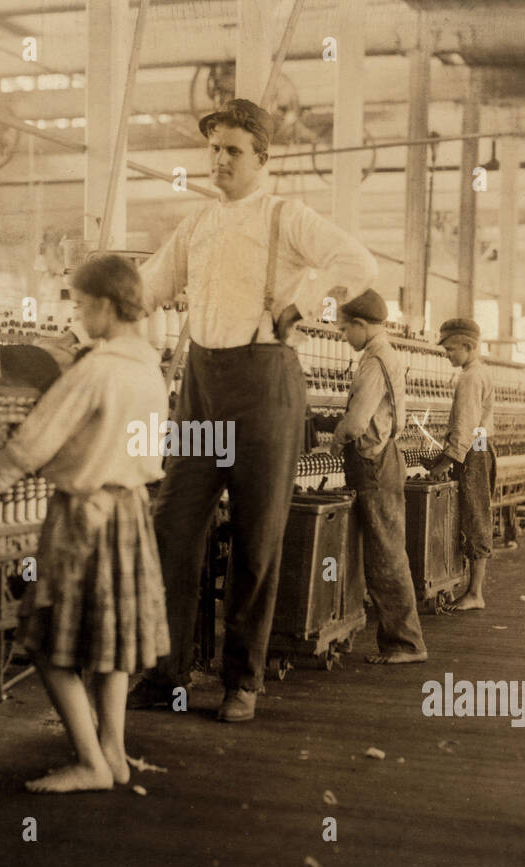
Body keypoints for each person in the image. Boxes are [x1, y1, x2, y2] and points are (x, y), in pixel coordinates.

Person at [127, 98, 377, 722]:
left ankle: (243, 681)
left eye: (233, 150)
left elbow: (358, 263)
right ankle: (165, 673)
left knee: (257, 539)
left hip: (264, 387)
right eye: (214, 149)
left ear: (262, 158)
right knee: (173, 529)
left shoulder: (285, 216)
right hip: (203, 390)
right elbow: (149, 289)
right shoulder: (195, 226)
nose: (220, 161)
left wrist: (303, 304)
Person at [0, 254, 169, 793]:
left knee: (48, 642)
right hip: (129, 511)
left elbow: (36, 439)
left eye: (79, 305)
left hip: (83, 516)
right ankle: (114, 754)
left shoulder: (97, 370)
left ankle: (89, 763)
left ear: (104, 304)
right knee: (110, 645)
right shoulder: (148, 368)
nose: (77, 316)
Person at [330, 289, 428, 664]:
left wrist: (334, 443)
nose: (343, 337)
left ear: (360, 325)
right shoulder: (384, 355)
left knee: (386, 554)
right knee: (379, 550)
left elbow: (356, 424)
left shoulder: (374, 361)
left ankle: (406, 643)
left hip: (372, 462)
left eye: (344, 330)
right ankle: (381, 635)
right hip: (382, 460)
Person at [428, 318, 495, 611]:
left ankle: (475, 593)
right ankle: (468, 588)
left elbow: (466, 425)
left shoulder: (470, 378)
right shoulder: (479, 372)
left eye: (451, 349)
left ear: (468, 346)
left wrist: (448, 460)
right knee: (472, 514)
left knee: (474, 517)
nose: (448, 355)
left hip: (473, 452)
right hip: (478, 448)